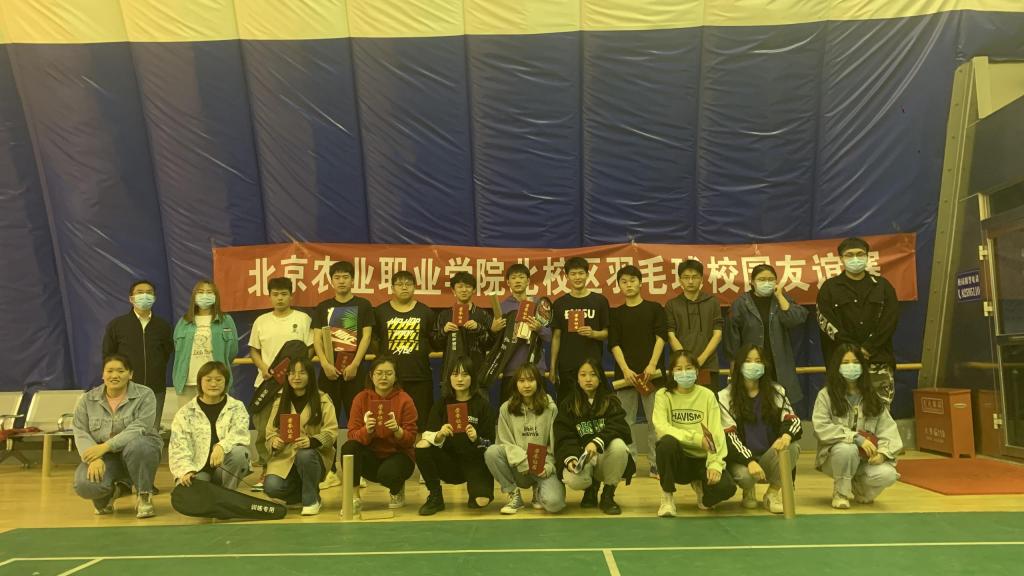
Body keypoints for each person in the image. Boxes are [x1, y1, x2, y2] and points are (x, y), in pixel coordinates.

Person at [72, 354, 163, 518]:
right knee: (85, 485)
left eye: (121, 371)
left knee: (140, 446)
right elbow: (80, 431)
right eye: (110, 371)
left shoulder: (145, 395)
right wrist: (94, 458)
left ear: (130, 374)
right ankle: (113, 492)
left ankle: (144, 495)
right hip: (105, 456)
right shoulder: (87, 400)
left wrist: (106, 446)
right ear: (103, 374)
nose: (115, 375)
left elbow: (140, 427)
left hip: (136, 452)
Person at [813, 344, 902, 509]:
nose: (851, 367)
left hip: (864, 460)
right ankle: (840, 493)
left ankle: (859, 488)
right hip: (835, 457)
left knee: (888, 474)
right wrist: (855, 438)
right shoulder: (826, 395)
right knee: (847, 449)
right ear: (837, 367)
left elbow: (888, 430)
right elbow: (821, 427)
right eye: (845, 363)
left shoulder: (872, 396)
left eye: (855, 362)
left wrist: (883, 454)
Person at [311, 261, 375, 488]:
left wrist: (356, 364)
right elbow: (317, 338)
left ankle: (359, 470)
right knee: (327, 421)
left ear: (352, 279)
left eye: (345, 277)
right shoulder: (323, 307)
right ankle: (329, 471)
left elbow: (366, 337)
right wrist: (325, 364)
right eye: (337, 277)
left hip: (354, 373)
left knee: (358, 420)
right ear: (331, 280)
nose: (341, 281)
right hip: (328, 373)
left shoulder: (363, 305)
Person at [718, 344, 802, 514]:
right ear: (739, 365)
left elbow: (793, 420)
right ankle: (748, 490)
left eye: (758, 361)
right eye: (748, 361)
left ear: (764, 365)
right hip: (742, 461)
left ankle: (772, 493)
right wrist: (749, 461)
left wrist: (786, 435)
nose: (753, 365)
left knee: (792, 447)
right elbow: (729, 438)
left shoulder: (777, 391)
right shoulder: (724, 397)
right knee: (746, 476)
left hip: (767, 455)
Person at [816, 237, 900, 407]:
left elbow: (890, 320)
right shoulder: (829, 288)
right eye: (849, 255)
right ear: (841, 259)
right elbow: (826, 322)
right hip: (843, 363)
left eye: (860, 254)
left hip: (877, 361)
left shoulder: (882, 286)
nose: (855, 258)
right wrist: (853, 350)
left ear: (867, 256)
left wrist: (869, 347)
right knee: (843, 413)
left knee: (879, 414)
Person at [248, 277, 313, 487]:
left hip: (295, 385)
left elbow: (310, 348)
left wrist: (298, 371)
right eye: (275, 294)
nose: (280, 298)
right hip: (267, 384)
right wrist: (263, 367)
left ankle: (293, 471)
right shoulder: (261, 321)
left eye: (284, 294)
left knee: (296, 429)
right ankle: (266, 470)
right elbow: (254, 350)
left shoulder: (303, 319)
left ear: (291, 295)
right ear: (269, 296)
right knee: (264, 430)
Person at [652, 350, 735, 517]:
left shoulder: (707, 395)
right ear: (672, 372)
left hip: (702, 460)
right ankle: (667, 497)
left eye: (689, 368)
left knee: (727, 488)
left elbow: (716, 432)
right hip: (679, 460)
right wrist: (696, 439)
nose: (684, 373)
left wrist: (715, 464)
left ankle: (702, 488)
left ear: (697, 371)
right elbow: (661, 427)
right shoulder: (663, 395)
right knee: (665, 443)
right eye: (679, 369)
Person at [415, 356, 495, 515]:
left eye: (465, 374)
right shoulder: (441, 404)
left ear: (472, 378)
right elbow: (428, 435)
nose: (459, 379)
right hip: (449, 462)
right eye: (455, 374)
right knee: (422, 446)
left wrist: (476, 438)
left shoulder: (483, 405)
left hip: (475, 462)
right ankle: (435, 496)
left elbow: (490, 444)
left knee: (481, 501)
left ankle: (475, 490)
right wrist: (439, 435)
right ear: (449, 377)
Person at [608, 265, 667, 478]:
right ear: (619, 286)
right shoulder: (616, 314)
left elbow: (661, 337)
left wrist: (652, 365)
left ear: (641, 282)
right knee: (626, 422)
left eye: (633, 280)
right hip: (626, 377)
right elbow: (614, 344)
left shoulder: (655, 308)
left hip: (652, 375)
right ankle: (628, 464)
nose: (629, 285)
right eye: (624, 281)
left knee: (655, 421)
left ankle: (656, 464)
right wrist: (625, 369)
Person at [485, 363, 566, 515]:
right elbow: (503, 442)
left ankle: (538, 490)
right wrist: (523, 461)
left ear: (538, 382)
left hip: (543, 468)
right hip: (519, 467)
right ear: (515, 384)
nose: (526, 385)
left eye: (531, 380)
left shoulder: (550, 408)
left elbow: (556, 444)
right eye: (521, 381)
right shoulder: (506, 408)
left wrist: (548, 467)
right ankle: (514, 494)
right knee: (492, 452)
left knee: (555, 505)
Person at [339, 356, 418, 512]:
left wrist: (398, 430)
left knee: (388, 474)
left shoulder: (405, 400)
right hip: (371, 456)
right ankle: (354, 497)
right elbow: (352, 434)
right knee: (349, 448)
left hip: (398, 455)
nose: (383, 377)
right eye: (379, 373)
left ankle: (396, 490)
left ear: (396, 377)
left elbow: (411, 440)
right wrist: (367, 430)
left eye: (388, 373)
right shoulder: (361, 398)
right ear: (371, 376)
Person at [554, 359, 632, 515]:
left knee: (619, 446)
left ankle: (608, 494)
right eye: (583, 375)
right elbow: (564, 435)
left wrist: (597, 442)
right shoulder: (568, 404)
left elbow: (620, 428)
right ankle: (590, 489)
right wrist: (571, 458)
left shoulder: (610, 401)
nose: (588, 379)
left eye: (593, 374)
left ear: (600, 378)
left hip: (604, 458)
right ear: (577, 378)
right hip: (582, 458)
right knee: (574, 480)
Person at [264, 357, 338, 515]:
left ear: (310, 375)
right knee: (271, 487)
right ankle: (299, 496)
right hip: (285, 456)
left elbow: (331, 432)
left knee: (305, 455)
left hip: (313, 455)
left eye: (302, 373)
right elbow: (270, 432)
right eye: (292, 373)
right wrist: (274, 441)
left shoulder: (323, 400)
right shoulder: (279, 402)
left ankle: (311, 500)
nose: (296, 377)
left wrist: (312, 441)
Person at [726, 264, 808, 406]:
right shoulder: (741, 303)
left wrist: (780, 296)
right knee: (752, 402)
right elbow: (732, 339)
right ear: (752, 282)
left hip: (779, 364)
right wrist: (734, 367)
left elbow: (796, 320)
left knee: (780, 404)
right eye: (762, 279)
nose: (767, 282)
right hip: (752, 364)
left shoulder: (781, 299)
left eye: (771, 279)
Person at [102, 280, 174, 428]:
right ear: (131, 298)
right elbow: (109, 355)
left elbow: (166, 353)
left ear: (154, 298)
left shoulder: (163, 326)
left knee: (151, 432)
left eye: (149, 293)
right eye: (140, 292)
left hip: (155, 389)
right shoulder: (117, 325)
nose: (145, 296)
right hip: (125, 389)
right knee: (124, 432)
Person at [169, 361, 250, 490]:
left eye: (218, 380)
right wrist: (186, 470)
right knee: (189, 490)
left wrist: (221, 446)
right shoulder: (185, 412)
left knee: (239, 453)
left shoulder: (236, 407)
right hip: (197, 470)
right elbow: (178, 446)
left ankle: (228, 493)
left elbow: (240, 433)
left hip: (223, 470)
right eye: (208, 380)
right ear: (200, 382)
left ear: (226, 382)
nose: (213, 384)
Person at [374, 270, 436, 429]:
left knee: (421, 423)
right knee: (388, 423)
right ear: (392, 288)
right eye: (400, 284)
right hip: (389, 379)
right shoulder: (380, 312)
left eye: (408, 284)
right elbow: (374, 341)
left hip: (419, 376)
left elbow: (434, 341)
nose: (404, 287)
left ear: (414, 287)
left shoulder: (426, 312)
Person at [172, 280, 239, 409]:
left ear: (215, 296)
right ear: (194, 296)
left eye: (209, 292)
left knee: (216, 418)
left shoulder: (225, 320)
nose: (204, 295)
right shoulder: (184, 321)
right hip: (188, 381)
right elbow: (178, 348)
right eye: (201, 292)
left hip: (215, 381)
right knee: (187, 418)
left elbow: (232, 350)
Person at [550, 257, 609, 399]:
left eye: (581, 273)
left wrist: (593, 333)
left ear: (587, 275)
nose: (577, 277)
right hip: (567, 367)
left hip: (592, 366)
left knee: (595, 406)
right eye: (573, 274)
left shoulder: (600, 301)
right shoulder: (559, 303)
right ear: (567, 276)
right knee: (567, 406)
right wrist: (552, 367)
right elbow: (556, 337)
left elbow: (607, 333)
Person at [495, 264, 551, 404]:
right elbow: (497, 340)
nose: (518, 281)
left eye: (521, 277)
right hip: (511, 370)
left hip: (535, 368)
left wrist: (539, 328)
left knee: (539, 411)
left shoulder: (539, 304)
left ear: (528, 281)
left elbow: (550, 336)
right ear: (508, 282)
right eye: (513, 278)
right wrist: (494, 330)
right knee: (510, 412)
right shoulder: (502, 306)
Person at [665, 260, 723, 387]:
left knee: (707, 398)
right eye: (686, 277)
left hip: (707, 366)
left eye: (695, 277)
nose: (690, 281)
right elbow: (670, 335)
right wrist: (687, 362)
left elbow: (718, 335)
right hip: (680, 368)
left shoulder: (712, 302)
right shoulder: (672, 305)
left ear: (701, 279)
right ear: (680, 280)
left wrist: (700, 360)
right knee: (681, 399)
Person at [430, 272, 496, 378]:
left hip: (477, 372)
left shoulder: (483, 314)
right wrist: (444, 331)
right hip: (451, 372)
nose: (464, 290)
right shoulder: (444, 315)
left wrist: (479, 328)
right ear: (453, 290)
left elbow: (492, 344)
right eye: (460, 286)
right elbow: (434, 345)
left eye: (468, 286)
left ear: (474, 290)